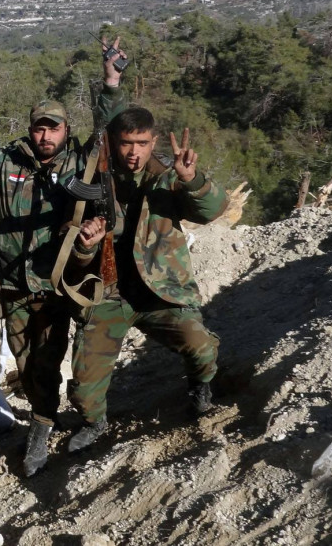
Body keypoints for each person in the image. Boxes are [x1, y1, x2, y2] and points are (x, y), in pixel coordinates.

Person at [0, 42, 128, 478]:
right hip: (14, 284)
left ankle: (78, 416)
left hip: (63, 281)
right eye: (39, 129)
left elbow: (108, 132)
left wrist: (111, 82)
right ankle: (43, 421)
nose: (45, 136)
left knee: (67, 355)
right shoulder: (5, 161)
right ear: (30, 130)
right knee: (30, 364)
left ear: (65, 130)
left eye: (54, 129)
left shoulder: (81, 163)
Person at [65, 107, 227, 452]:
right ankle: (95, 422)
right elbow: (67, 239)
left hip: (160, 291)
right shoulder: (91, 178)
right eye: (126, 143)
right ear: (113, 142)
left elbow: (212, 210)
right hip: (109, 295)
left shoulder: (167, 178)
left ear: (154, 142)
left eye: (142, 143)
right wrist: (85, 243)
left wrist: (191, 179)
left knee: (200, 345)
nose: (134, 152)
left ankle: (200, 386)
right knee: (84, 389)